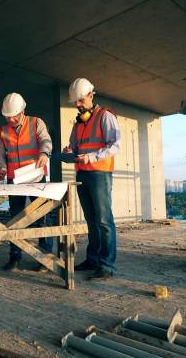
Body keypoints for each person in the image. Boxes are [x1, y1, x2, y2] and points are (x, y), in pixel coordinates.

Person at [61, 78, 121, 281]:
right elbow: (74, 147)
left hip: (100, 174)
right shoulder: (78, 123)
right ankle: (93, 260)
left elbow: (115, 145)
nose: (78, 105)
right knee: (91, 221)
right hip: (83, 174)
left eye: (80, 100)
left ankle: (107, 265)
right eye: (75, 102)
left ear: (91, 95)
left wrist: (91, 156)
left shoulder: (105, 116)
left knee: (104, 221)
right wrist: (69, 151)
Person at [0, 93, 53, 271]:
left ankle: (45, 257)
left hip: (36, 177)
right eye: (7, 116)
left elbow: (45, 140)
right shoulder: (3, 131)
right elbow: (0, 154)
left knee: (42, 217)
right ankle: (15, 257)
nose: (11, 119)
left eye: (14, 115)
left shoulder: (36, 123)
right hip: (14, 179)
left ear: (23, 111)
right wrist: (3, 167)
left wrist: (44, 153)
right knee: (15, 220)